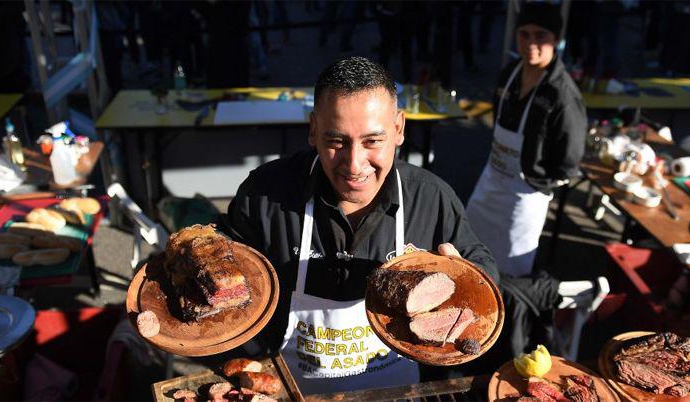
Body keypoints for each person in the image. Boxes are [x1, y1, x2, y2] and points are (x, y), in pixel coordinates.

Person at [219, 56, 498, 395]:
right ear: (312, 130)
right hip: (290, 388)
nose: (354, 164)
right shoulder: (266, 193)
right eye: (337, 141)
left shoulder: (431, 198)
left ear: (398, 129)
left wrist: (464, 282)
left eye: (372, 141)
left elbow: (482, 272)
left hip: (396, 392)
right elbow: (226, 261)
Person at [465, 3, 587, 278]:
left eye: (541, 35)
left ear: (555, 39)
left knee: (506, 275)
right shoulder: (510, 73)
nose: (532, 43)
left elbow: (568, 162)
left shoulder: (562, 95)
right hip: (490, 183)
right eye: (525, 34)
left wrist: (536, 180)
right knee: (469, 255)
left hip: (523, 198)